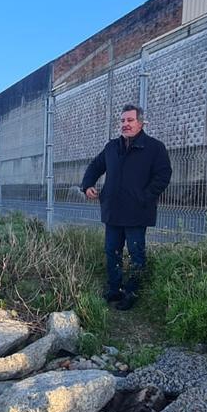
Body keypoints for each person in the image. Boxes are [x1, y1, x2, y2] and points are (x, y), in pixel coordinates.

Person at [80, 105, 172, 310]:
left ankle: (132, 293)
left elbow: (163, 175)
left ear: (141, 122)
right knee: (111, 251)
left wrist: (144, 197)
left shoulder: (154, 147)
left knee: (136, 253)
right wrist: (87, 186)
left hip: (137, 212)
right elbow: (95, 167)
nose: (125, 125)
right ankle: (114, 289)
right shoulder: (112, 147)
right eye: (122, 121)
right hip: (113, 210)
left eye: (130, 120)